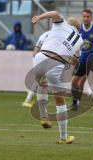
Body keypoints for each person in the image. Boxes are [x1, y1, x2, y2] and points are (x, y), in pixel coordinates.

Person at [32, 11, 83, 144]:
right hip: (57, 63)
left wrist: (39, 17)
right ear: (78, 29)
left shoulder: (60, 23)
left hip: (40, 57)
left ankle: (43, 115)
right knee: (60, 101)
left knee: (41, 85)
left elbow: (54, 13)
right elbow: (74, 62)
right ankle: (63, 138)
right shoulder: (80, 40)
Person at [22, 31, 50, 108]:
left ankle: (32, 99)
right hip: (42, 60)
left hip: (40, 59)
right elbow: (37, 49)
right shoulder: (52, 35)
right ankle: (28, 100)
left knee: (40, 81)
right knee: (40, 81)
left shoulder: (45, 34)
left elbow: (36, 48)